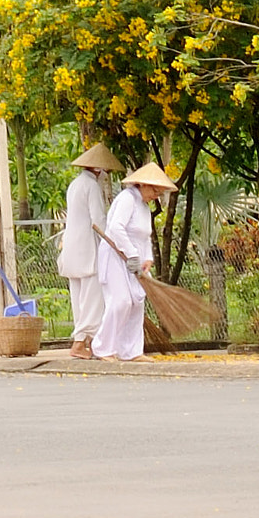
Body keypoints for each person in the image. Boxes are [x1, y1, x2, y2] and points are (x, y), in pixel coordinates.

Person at [93, 162, 177, 361]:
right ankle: (103, 348)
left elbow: (145, 236)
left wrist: (147, 258)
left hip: (135, 259)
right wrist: (131, 254)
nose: (156, 195)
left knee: (137, 302)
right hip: (116, 256)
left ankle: (131, 351)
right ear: (143, 185)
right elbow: (116, 229)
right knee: (121, 301)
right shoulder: (126, 199)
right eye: (155, 190)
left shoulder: (144, 207)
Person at [58, 142, 121, 359]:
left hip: (72, 247)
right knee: (93, 299)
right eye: (106, 170)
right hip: (87, 247)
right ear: (98, 169)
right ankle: (79, 342)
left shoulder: (74, 184)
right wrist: (115, 244)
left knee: (79, 300)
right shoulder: (92, 187)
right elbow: (99, 220)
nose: (106, 174)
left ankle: (89, 342)